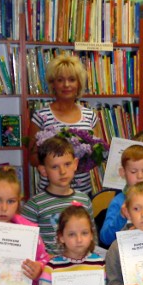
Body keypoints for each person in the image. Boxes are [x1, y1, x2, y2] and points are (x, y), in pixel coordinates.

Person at [28, 55, 103, 196]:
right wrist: (58, 159)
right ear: (53, 84)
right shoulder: (40, 116)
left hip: (82, 193)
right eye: (60, 80)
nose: (66, 85)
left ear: (79, 84)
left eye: (72, 79)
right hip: (49, 193)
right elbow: (32, 158)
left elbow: (98, 155)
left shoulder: (90, 116)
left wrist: (79, 162)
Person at [21, 136, 93, 256]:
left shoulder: (84, 200)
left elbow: (91, 237)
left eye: (67, 164)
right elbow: (26, 245)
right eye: (55, 166)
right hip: (50, 269)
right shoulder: (34, 206)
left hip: (80, 266)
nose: (62, 171)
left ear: (75, 164)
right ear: (43, 170)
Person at [99, 144, 143, 247]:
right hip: (128, 254)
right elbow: (105, 238)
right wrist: (121, 216)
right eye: (133, 171)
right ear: (123, 172)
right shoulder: (118, 201)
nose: (140, 176)